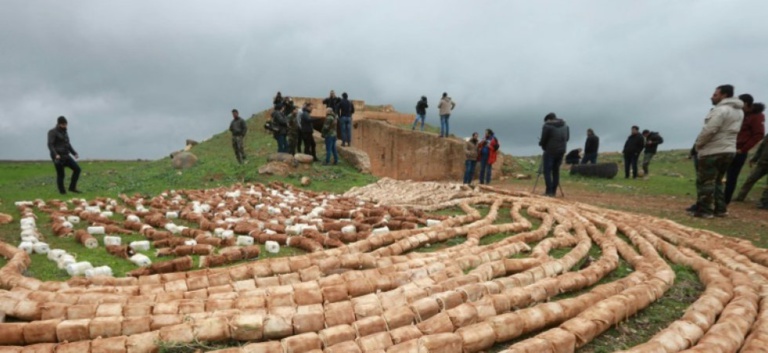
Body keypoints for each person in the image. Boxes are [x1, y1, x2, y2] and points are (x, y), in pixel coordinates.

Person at [691, 84, 744, 218]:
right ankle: (721, 209)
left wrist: (698, 145)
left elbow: (710, 130)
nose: (712, 97)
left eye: (715, 95)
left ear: (724, 95)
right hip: (729, 150)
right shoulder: (739, 111)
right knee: (718, 181)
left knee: (706, 181)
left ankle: (705, 210)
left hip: (713, 150)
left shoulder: (720, 110)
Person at [725, 95, 765, 204]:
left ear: (746, 104)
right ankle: (718, 198)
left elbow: (758, 135)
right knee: (720, 174)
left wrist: (743, 149)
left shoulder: (756, 116)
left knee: (732, 176)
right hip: (728, 147)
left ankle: (725, 200)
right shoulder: (739, 114)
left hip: (739, 150)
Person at [48, 116, 81, 194]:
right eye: (63, 124)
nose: (65, 126)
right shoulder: (52, 132)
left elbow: (68, 144)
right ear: (59, 124)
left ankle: (72, 188)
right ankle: (62, 192)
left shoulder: (64, 132)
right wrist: (55, 154)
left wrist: (74, 153)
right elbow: (50, 144)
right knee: (61, 174)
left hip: (66, 155)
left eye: (66, 124)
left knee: (77, 169)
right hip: (58, 156)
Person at [735, 125, 768, 203]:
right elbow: (761, 147)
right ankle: (740, 197)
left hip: (763, 162)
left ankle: (764, 202)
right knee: (750, 179)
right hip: (762, 163)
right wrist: (754, 159)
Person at [539, 112, 569, 197]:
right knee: (556, 171)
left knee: (547, 171)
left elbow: (543, 139)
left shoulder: (547, 126)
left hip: (550, 151)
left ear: (548, 119)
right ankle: (554, 191)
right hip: (561, 151)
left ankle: (549, 191)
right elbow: (567, 138)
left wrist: (542, 144)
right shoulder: (565, 125)